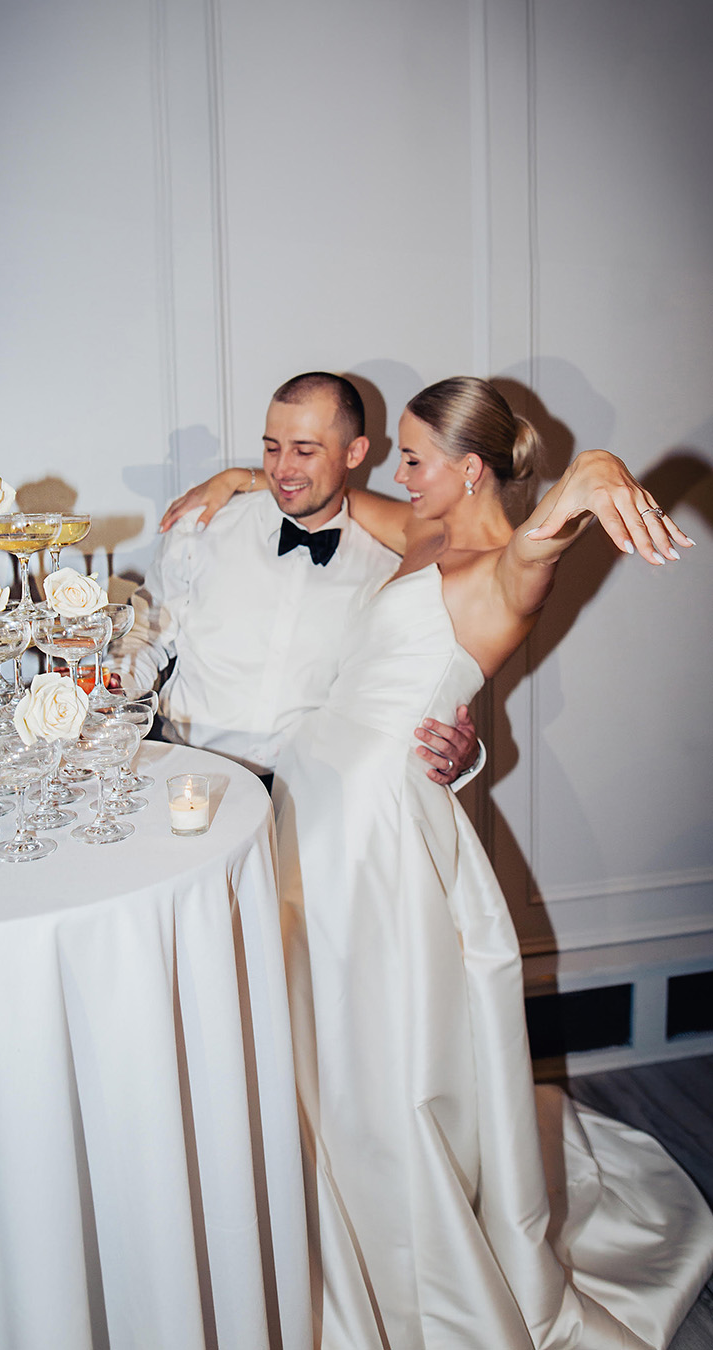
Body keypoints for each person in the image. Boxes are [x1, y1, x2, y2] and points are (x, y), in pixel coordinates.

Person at [167, 377, 713, 1349]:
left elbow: (549, 533)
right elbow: (328, 497)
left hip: (373, 828)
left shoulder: (508, 570)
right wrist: (242, 474)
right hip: (308, 798)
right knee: (306, 1030)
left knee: (368, 1045)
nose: (396, 473)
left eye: (414, 457)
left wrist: (594, 472)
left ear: (469, 470)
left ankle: (392, 1251)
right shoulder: (418, 524)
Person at [115, 372, 482, 788]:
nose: (281, 469)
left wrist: (462, 757)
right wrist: (111, 690)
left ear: (355, 453)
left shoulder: (391, 573)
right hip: (181, 775)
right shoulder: (202, 526)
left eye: (304, 451)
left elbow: (408, 691)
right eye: (271, 448)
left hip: (310, 799)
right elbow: (145, 634)